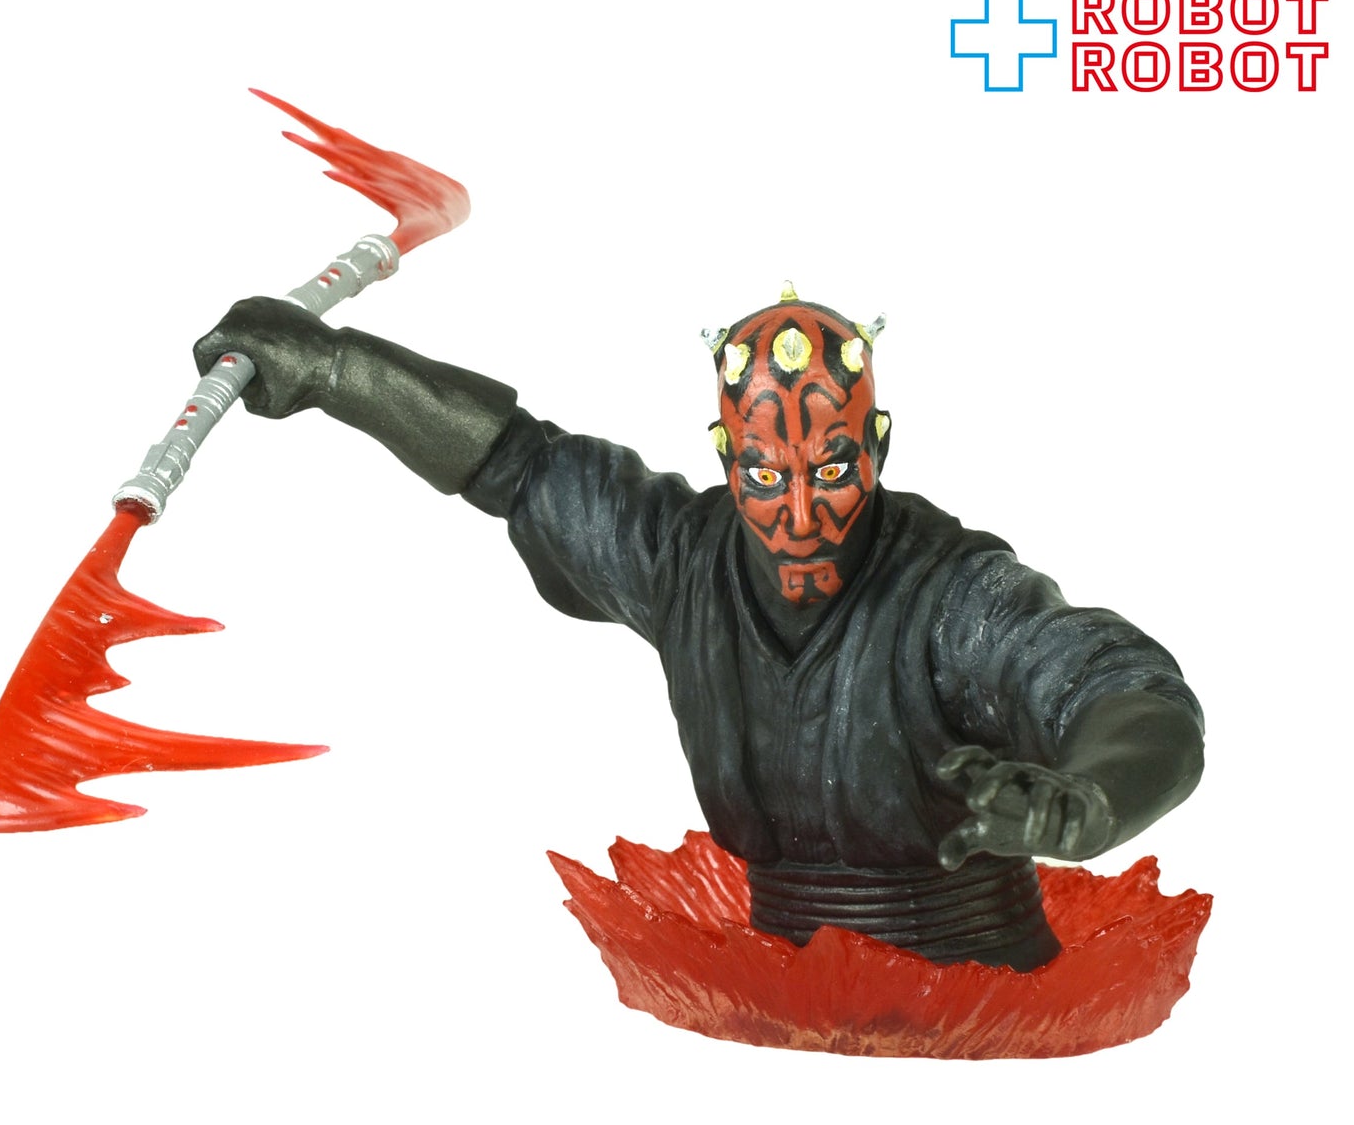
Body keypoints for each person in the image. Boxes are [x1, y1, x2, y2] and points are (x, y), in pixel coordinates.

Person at [194, 286, 1204, 971]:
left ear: (877, 445)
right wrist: (336, 369)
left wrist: (1092, 793)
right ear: (726, 455)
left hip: (972, 985)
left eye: (832, 468)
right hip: (767, 989)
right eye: (764, 474)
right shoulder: (678, 557)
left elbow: (1127, 690)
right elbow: (515, 464)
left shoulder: (955, 597)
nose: (798, 513)